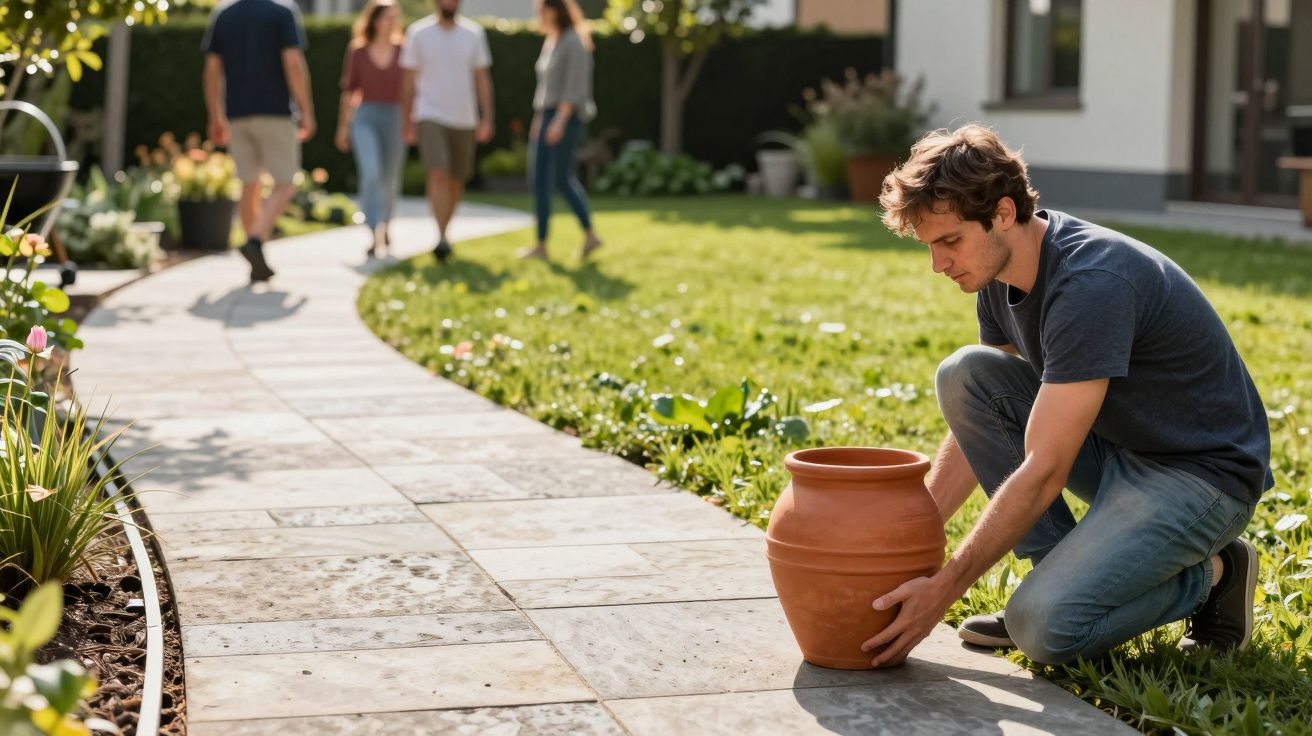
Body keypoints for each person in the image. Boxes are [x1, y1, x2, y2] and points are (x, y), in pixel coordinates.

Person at [860, 124, 1271, 668]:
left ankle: (1216, 575)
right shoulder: (999, 275)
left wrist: (943, 588)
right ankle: (1059, 572)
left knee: (1044, 629)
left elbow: (1045, 466)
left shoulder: (1091, 284)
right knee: (966, 373)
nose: (939, 264)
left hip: (1200, 476)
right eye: (930, 246)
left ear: (1003, 213)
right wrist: (912, 544)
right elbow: (985, 418)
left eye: (950, 241)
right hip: (1121, 449)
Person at [202, 0, 316, 283]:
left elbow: (212, 69)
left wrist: (215, 116)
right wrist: (306, 109)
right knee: (285, 183)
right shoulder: (283, 11)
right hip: (275, 112)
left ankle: (256, 262)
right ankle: (254, 240)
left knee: (249, 183)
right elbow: (293, 63)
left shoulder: (224, 14)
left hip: (237, 114)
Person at [399, 0, 494, 262]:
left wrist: (487, 118)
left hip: (464, 118)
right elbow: (408, 81)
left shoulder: (473, 34)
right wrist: (406, 120)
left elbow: (481, 78)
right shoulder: (418, 33)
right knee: (438, 172)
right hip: (429, 114)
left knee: (456, 178)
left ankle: (446, 231)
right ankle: (440, 237)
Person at [518, 0, 602, 261]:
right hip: (547, 115)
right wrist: (538, 120)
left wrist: (558, 121)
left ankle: (588, 234)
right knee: (541, 180)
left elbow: (574, 87)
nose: (538, 16)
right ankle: (543, 244)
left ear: (555, 10)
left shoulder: (572, 42)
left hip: (564, 116)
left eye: (541, 11)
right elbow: (544, 88)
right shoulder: (552, 40)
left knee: (560, 179)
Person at [336, 0, 405, 259]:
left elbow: (411, 90)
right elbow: (349, 91)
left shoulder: (404, 50)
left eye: (394, 17)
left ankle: (386, 224)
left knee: (390, 176)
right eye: (387, 17)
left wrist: (410, 121)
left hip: (395, 116)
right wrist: (343, 127)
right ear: (374, 20)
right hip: (365, 116)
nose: (391, 22)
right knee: (372, 171)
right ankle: (373, 230)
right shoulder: (358, 51)